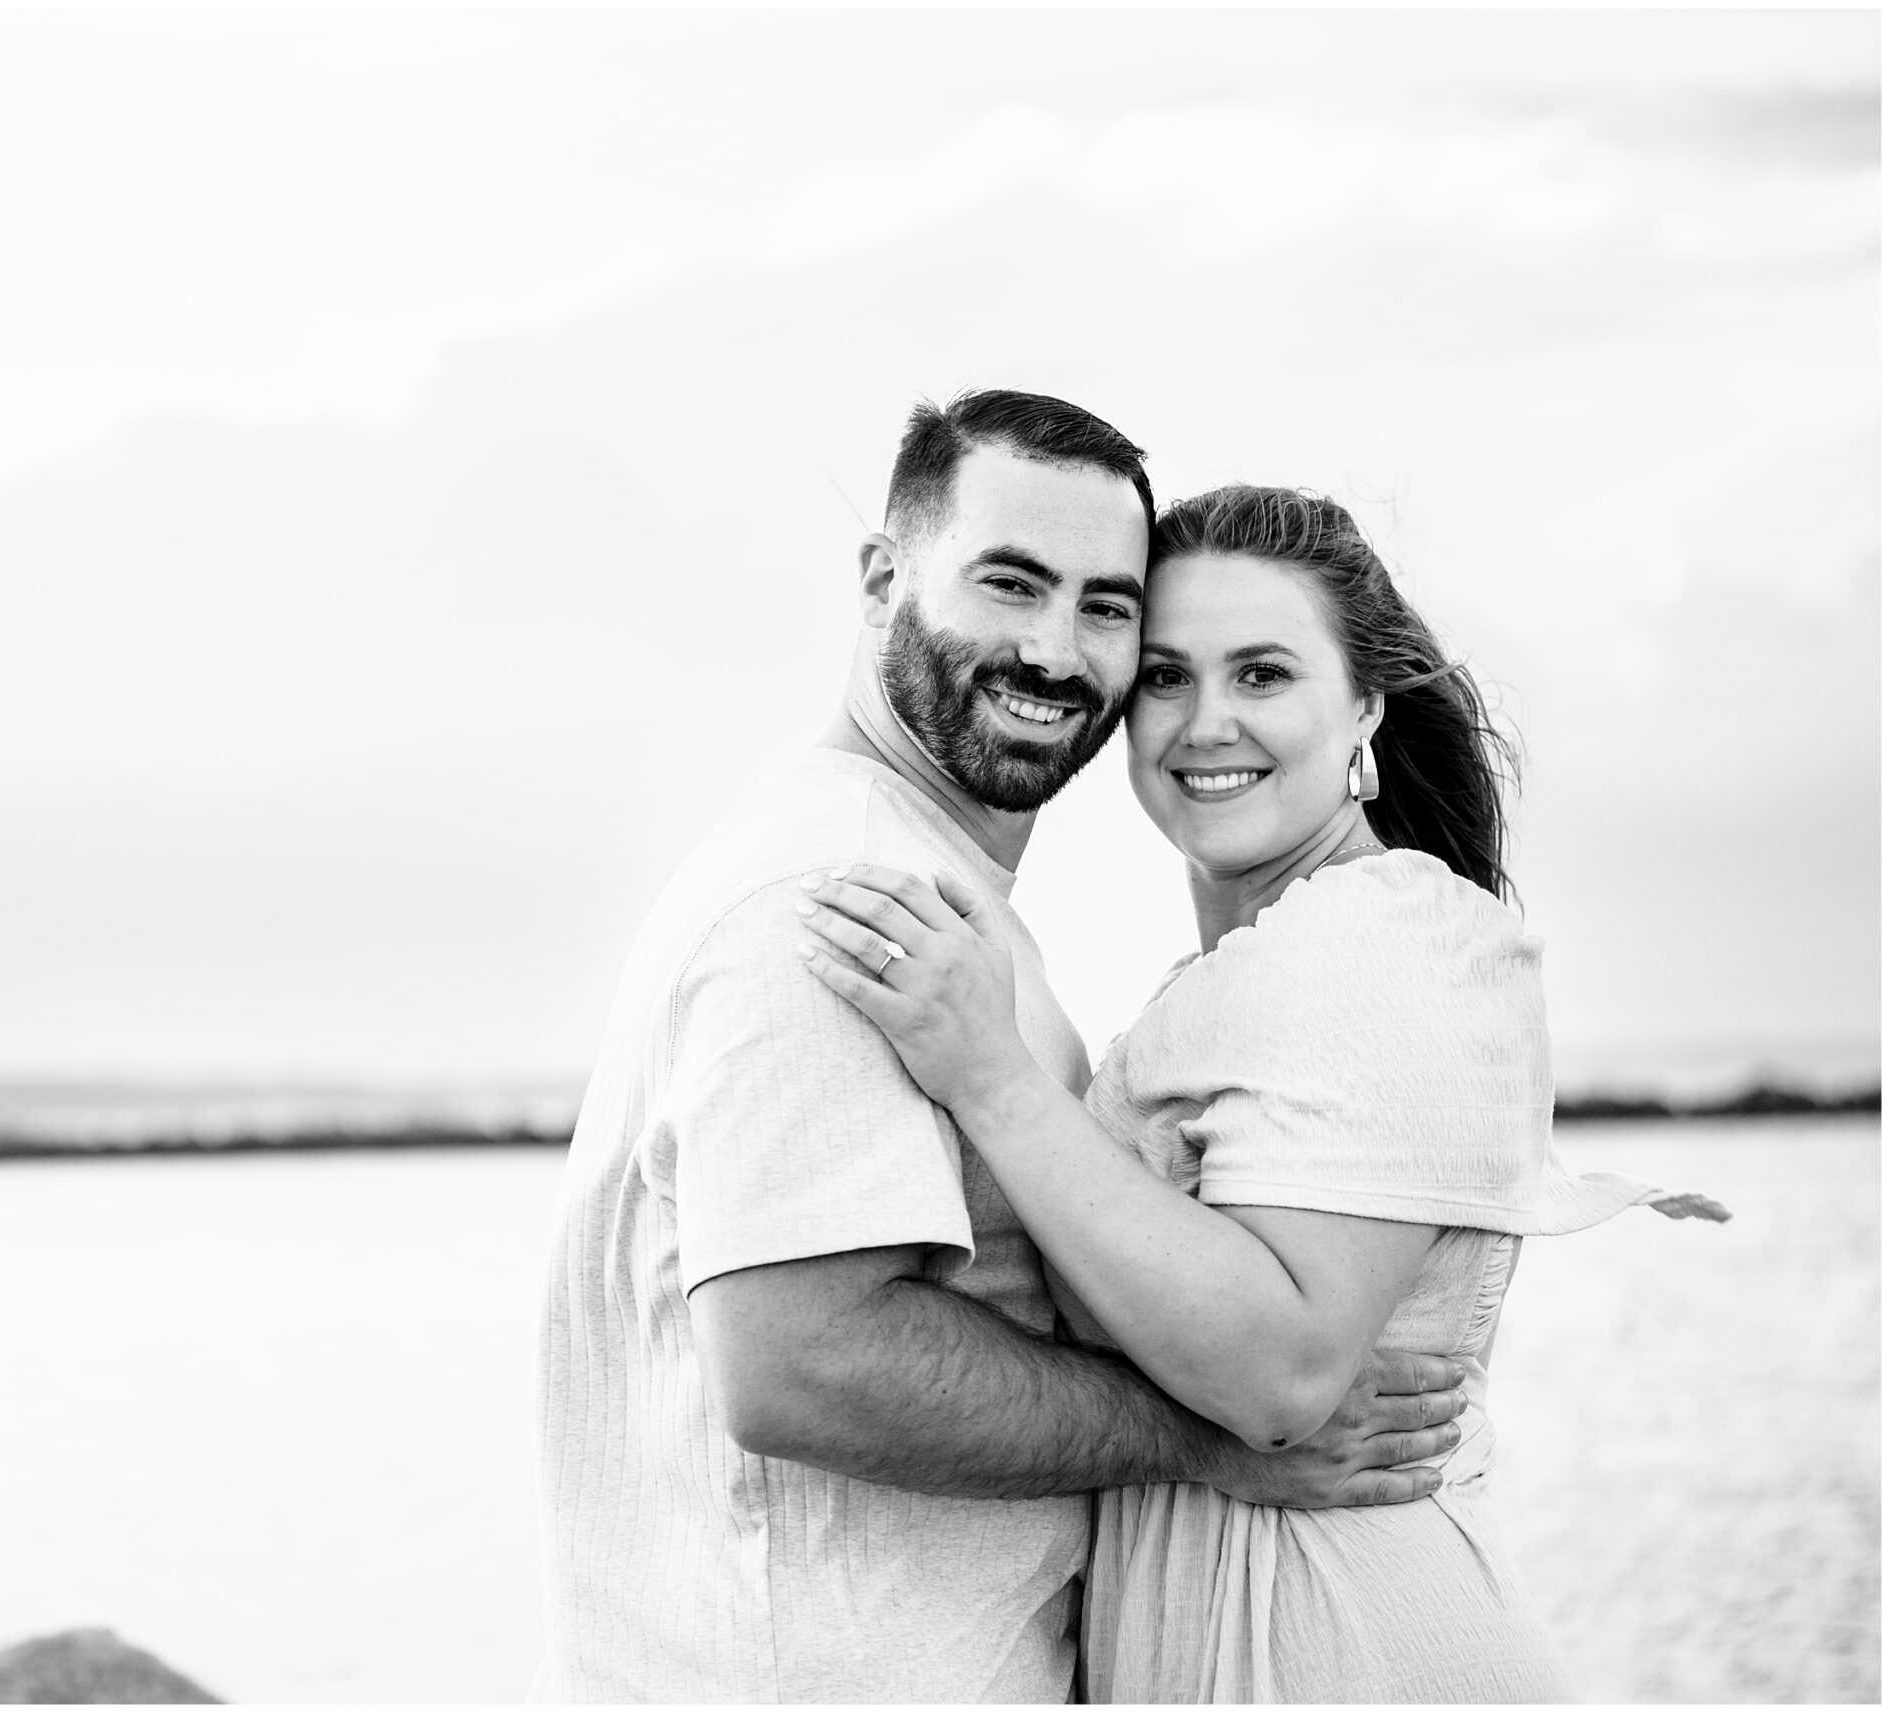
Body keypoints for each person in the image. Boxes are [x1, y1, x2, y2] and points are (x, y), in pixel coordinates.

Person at [533, 396, 1479, 1705]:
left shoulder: (945, 907)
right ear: (883, 577)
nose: (1053, 648)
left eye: (1105, 607)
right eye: (1010, 582)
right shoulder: (844, 896)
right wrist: (1203, 1444)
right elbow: (802, 1359)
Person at [798, 482, 1727, 1702]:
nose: (1204, 724)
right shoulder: (1236, 978)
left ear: (1364, 710)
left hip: (1345, 1646)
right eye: (1167, 678)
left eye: (1263, 675)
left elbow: (1282, 1378)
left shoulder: (1397, 934)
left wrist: (989, 1077)